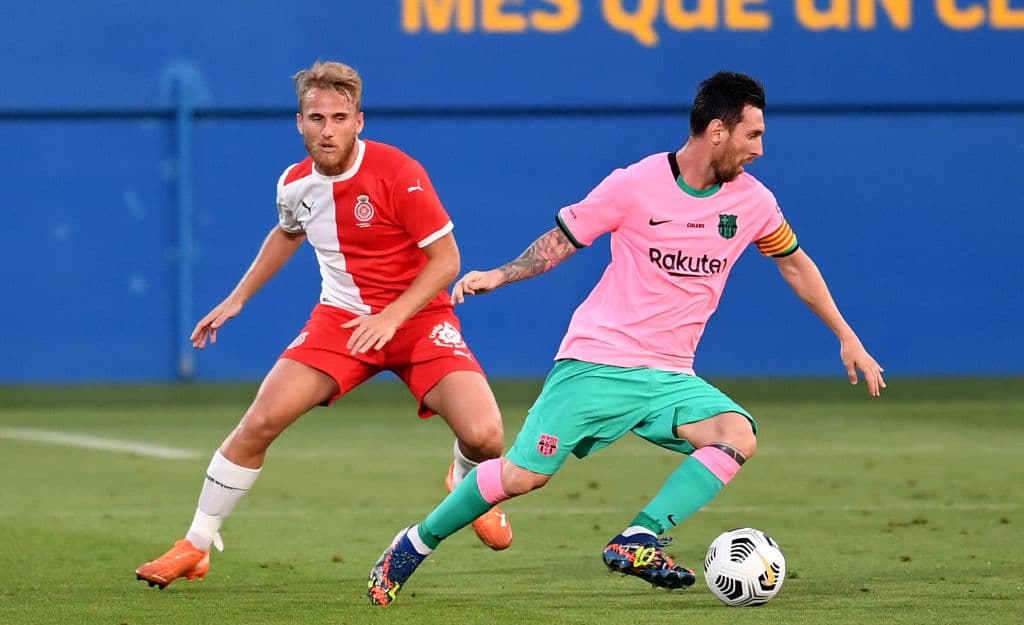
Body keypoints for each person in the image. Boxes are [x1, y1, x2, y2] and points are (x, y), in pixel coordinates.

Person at [366, 71, 886, 606]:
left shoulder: (753, 202)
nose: (760, 149)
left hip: (670, 376)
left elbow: (795, 264)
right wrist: (500, 274)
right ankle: (412, 544)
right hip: (598, 362)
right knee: (522, 477)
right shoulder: (635, 183)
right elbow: (562, 241)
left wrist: (847, 337)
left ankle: (639, 536)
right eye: (752, 135)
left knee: (738, 432)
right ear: (716, 131)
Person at [135, 60, 513, 589]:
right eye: (317, 118)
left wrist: (392, 317)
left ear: (360, 120)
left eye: (339, 117)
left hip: (418, 317)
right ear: (300, 123)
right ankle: (195, 545)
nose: (327, 129)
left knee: (486, 435)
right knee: (260, 421)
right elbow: (287, 233)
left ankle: (464, 479)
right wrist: (237, 298)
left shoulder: (398, 172)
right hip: (341, 321)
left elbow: (447, 261)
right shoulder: (294, 184)